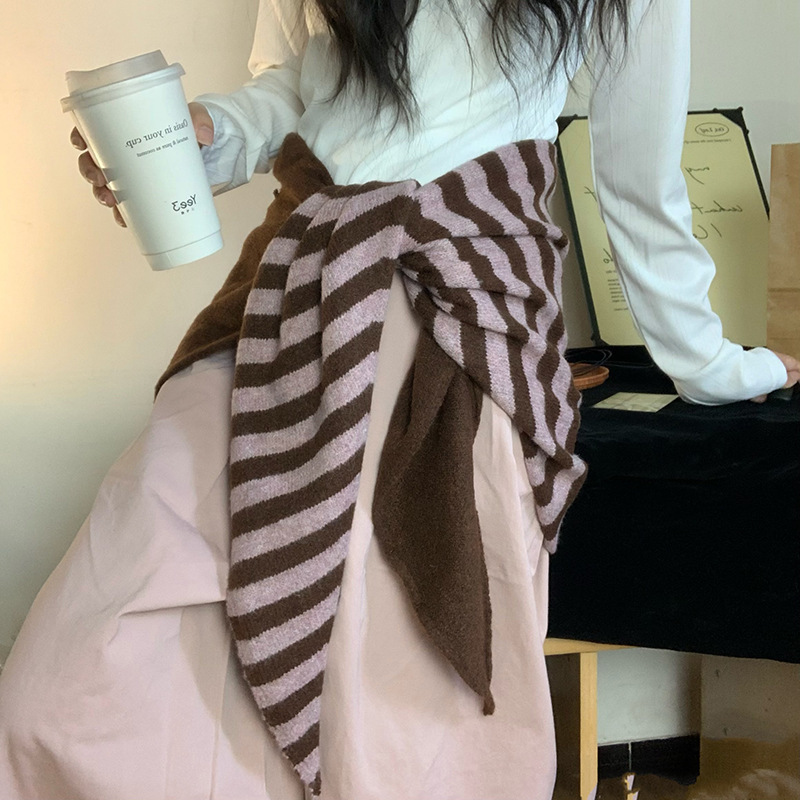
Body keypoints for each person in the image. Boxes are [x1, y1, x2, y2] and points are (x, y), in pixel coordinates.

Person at [0, 0, 798, 799]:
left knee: (392, 705)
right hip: (300, 280)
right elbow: (300, 89)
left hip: (463, 306)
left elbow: (637, 180)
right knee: (83, 665)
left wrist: (709, 363)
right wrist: (205, 134)